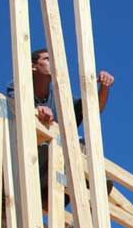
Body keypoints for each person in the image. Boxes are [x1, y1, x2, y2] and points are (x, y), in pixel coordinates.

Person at [6, 48, 115, 209]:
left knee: (82, 145)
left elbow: (93, 109)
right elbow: (13, 108)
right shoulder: (19, 86)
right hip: (27, 158)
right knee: (48, 148)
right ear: (33, 66)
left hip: (53, 169)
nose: (54, 64)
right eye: (47, 59)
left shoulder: (59, 98)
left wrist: (105, 87)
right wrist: (36, 112)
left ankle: (90, 190)